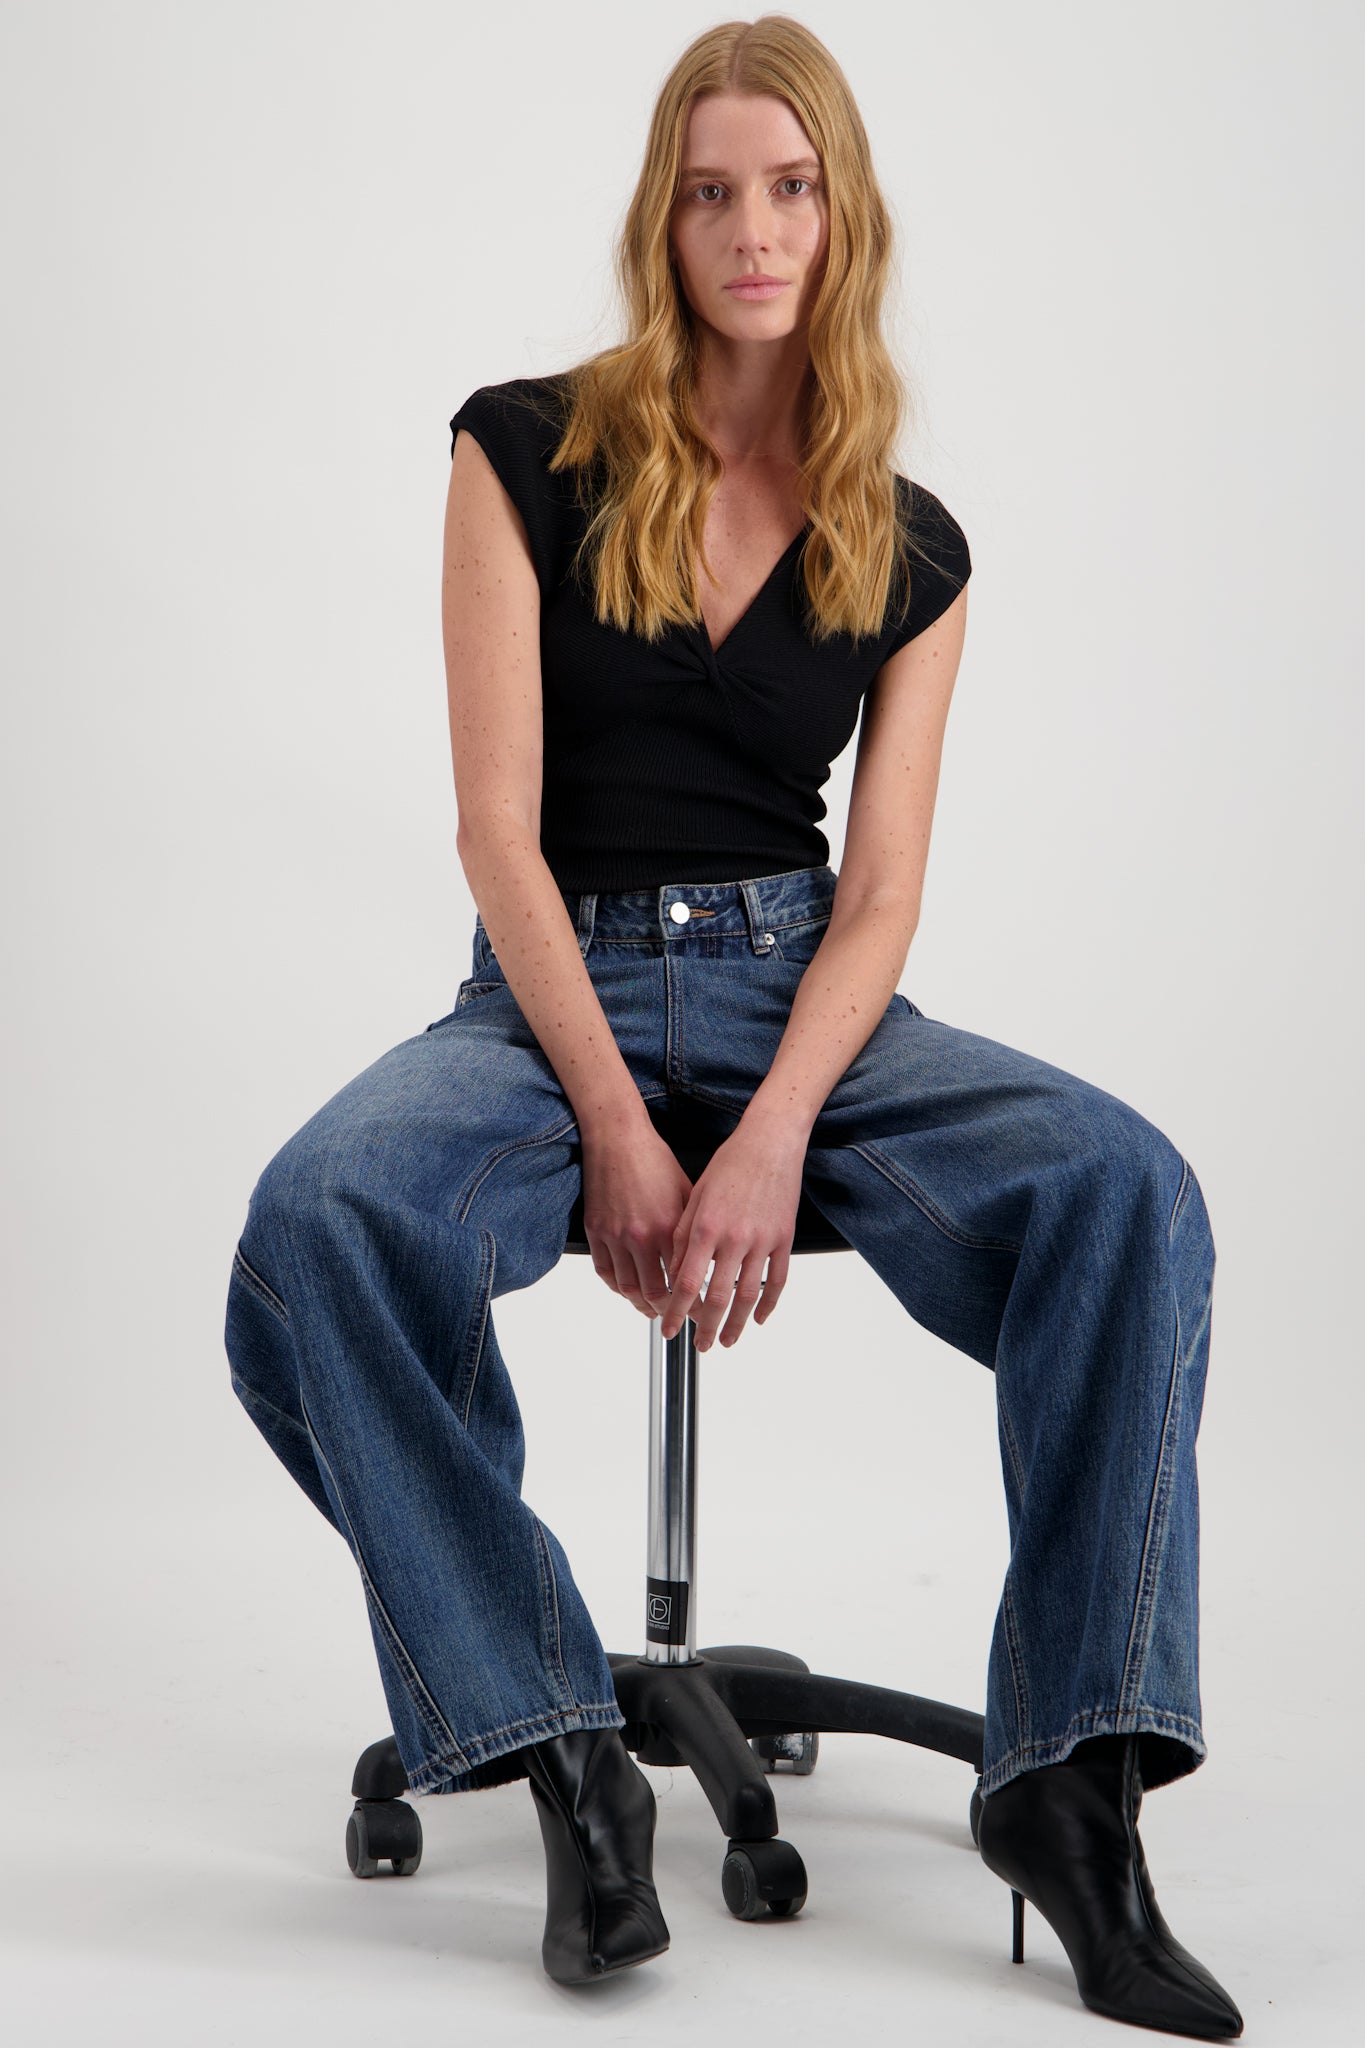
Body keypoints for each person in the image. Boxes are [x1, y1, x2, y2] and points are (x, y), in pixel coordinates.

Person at [224, 13, 1243, 2033]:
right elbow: (495, 831)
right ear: (661, 218)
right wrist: (616, 1117)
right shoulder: (524, 447)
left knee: (1124, 1188)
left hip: (803, 994)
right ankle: (559, 1745)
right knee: (319, 1221)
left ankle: (1071, 1782)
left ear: (841, 215)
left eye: (789, 188)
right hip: (552, 992)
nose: (751, 229)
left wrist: (772, 1124)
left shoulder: (912, 543)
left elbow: (879, 897)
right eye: (710, 193)